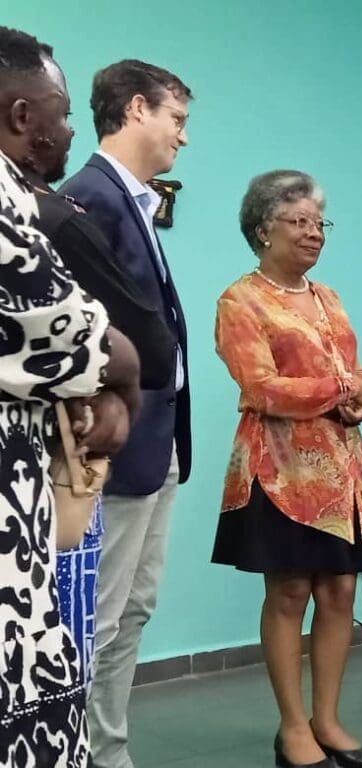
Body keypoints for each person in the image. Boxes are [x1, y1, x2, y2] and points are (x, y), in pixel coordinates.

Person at [0, 27, 176, 695]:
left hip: (99, 442)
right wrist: (119, 378)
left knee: (122, 613)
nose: (68, 128)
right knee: (85, 627)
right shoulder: (61, 207)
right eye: (62, 111)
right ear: (24, 116)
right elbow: (109, 342)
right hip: (54, 467)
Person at [212, 170, 362, 768]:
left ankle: (327, 720)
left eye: (319, 223)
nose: (315, 233)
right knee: (289, 592)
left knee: (340, 589)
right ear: (264, 229)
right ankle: (292, 728)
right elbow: (261, 387)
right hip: (281, 470)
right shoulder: (240, 300)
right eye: (300, 221)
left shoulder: (328, 297)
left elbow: (354, 374)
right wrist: (344, 389)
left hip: (344, 469)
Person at [58, 58, 193, 768]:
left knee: (133, 610)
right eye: (177, 119)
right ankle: (77, 753)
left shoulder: (132, 199)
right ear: (137, 108)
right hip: (118, 444)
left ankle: (109, 752)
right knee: (97, 619)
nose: (183, 137)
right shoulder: (89, 198)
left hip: (156, 441)